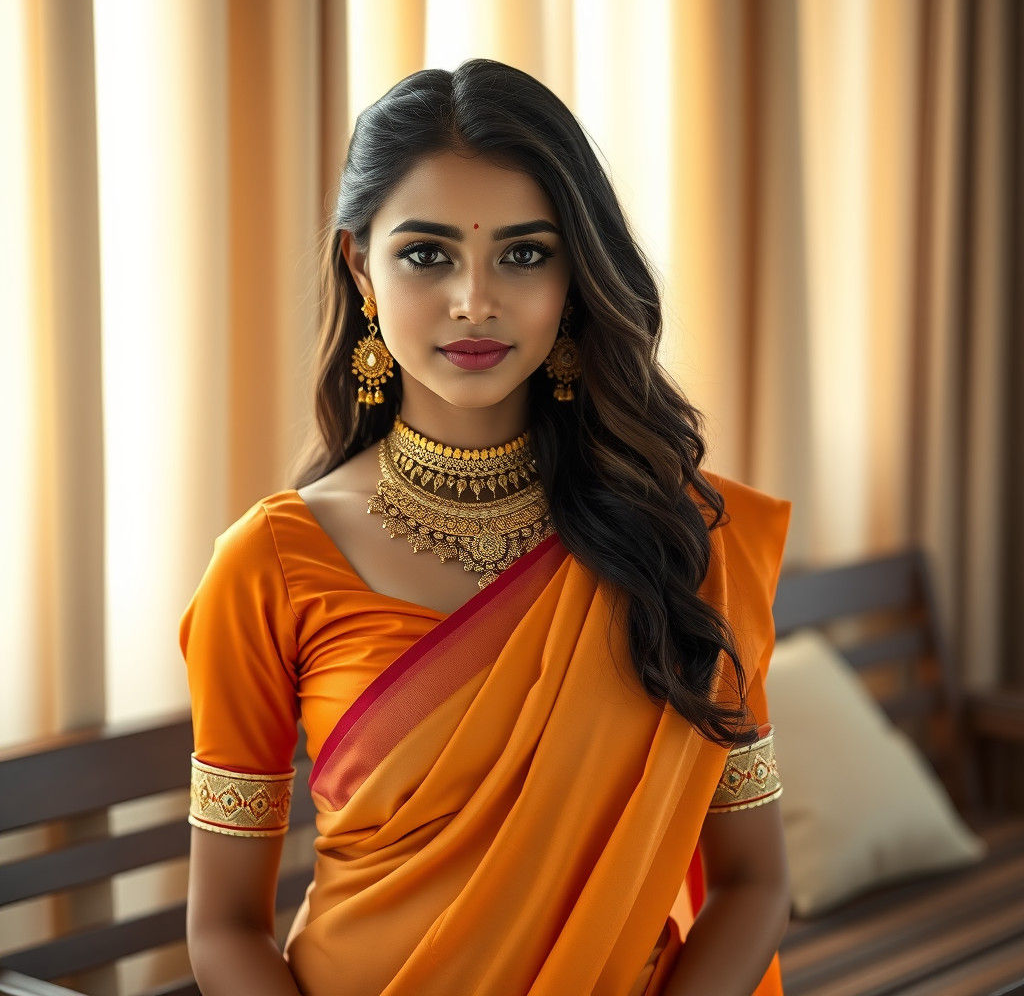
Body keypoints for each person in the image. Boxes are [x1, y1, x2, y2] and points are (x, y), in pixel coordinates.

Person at [180, 57, 792, 996]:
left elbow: (752, 883)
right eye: (428, 254)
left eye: (524, 252)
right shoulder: (268, 566)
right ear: (360, 265)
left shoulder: (685, 543)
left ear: (575, 277)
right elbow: (224, 929)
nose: (475, 300)